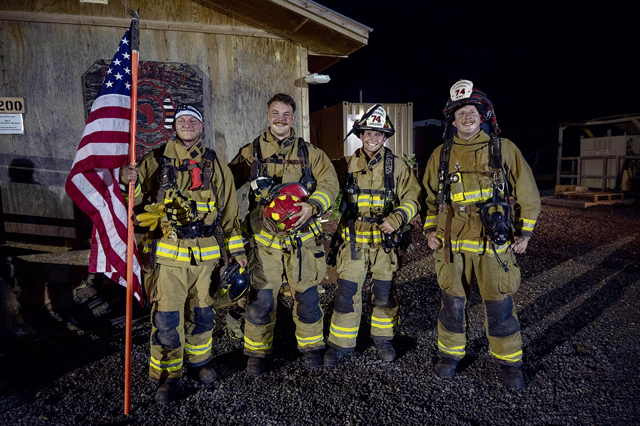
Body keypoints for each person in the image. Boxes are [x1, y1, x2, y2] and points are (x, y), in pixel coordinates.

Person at [121, 105, 246, 403]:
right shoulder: (155, 160)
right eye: (181, 120)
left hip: (206, 259)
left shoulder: (216, 165)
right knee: (166, 318)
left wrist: (237, 251)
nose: (187, 124)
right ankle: (168, 374)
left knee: (202, 314)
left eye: (193, 120)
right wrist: (127, 180)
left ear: (201, 127)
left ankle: (199, 362)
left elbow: (230, 213)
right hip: (168, 258)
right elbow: (133, 202)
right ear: (173, 126)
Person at [422, 80, 541, 389]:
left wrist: (524, 234)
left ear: (483, 115)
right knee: (452, 302)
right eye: (460, 113)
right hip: (451, 243)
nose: (467, 117)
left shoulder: (504, 148)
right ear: (452, 120)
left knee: (499, 303)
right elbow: (429, 199)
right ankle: (450, 355)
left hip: (493, 240)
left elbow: (527, 194)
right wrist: (430, 230)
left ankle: (509, 361)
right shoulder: (441, 154)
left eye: (472, 112)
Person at [229, 93, 339, 376]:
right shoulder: (251, 152)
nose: (281, 119)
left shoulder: (310, 153)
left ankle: (311, 348)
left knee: (308, 297)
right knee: (262, 299)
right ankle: (257, 353)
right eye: (275, 113)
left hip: (303, 240)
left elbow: (330, 184)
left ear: (293, 118)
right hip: (265, 243)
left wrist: (313, 205)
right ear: (268, 116)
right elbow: (227, 183)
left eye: (286, 114)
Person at [323, 105, 421, 365]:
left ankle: (383, 339)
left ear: (385, 137)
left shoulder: (397, 166)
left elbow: (413, 199)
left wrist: (397, 218)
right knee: (346, 294)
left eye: (379, 134)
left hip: (384, 245)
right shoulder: (345, 165)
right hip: (353, 243)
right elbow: (322, 179)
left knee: (383, 295)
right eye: (369, 133)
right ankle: (341, 344)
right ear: (360, 135)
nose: (373, 139)